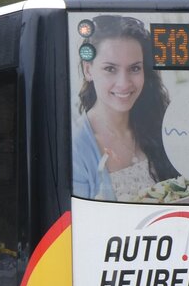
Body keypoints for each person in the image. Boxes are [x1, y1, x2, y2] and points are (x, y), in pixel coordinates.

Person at [73, 14, 178, 201]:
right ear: (88, 70)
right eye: (110, 69)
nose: (124, 83)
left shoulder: (157, 124)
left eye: (135, 68)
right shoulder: (74, 148)